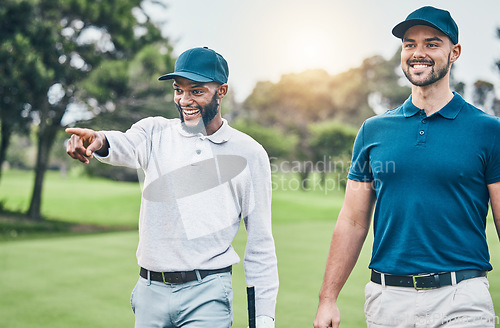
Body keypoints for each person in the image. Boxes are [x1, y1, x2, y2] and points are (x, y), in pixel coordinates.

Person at [314, 6, 500, 328]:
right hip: (387, 301)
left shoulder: (488, 130)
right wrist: (327, 299)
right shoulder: (373, 130)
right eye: (409, 44)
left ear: (454, 52)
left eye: (431, 44)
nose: (418, 53)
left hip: (462, 299)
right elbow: (353, 221)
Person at [66, 47, 278, 328]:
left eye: (197, 91)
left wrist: (263, 320)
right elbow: (124, 144)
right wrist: (99, 139)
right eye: (179, 90)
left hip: (208, 293)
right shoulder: (154, 132)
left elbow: (260, 244)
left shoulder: (249, 153)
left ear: (222, 91)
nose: (184, 100)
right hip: (150, 292)